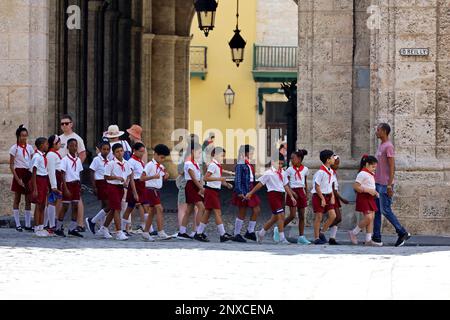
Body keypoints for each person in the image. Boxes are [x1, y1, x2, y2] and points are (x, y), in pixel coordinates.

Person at [245, 154, 297, 245]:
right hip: (273, 195)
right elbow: (260, 184)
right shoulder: (268, 173)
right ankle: (282, 238)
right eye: (278, 163)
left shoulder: (283, 173)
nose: (280, 165)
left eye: (281, 164)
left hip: (281, 195)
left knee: (274, 218)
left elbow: (285, 185)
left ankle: (260, 233)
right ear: (273, 162)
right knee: (281, 215)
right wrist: (251, 193)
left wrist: (291, 196)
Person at [373, 123, 411, 247]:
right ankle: (376, 237)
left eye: (378, 130)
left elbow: (392, 166)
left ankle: (402, 232)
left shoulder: (388, 146)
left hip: (385, 184)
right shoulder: (381, 145)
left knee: (385, 210)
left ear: (384, 131)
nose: (376, 132)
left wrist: (389, 185)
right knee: (377, 210)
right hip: (377, 183)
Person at [97, 144, 137, 241]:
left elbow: (128, 175)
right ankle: (119, 231)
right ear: (114, 153)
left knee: (113, 209)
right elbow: (106, 176)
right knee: (117, 209)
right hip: (112, 187)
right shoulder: (111, 164)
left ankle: (104, 228)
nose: (120, 153)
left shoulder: (126, 163)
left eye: (121, 151)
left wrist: (125, 183)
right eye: (117, 151)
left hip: (120, 188)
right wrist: (116, 177)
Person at [194, 147, 234, 243]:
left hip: (213, 191)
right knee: (217, 212)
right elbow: (206, 178)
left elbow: (216, 178)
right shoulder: (213, 165)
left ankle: (199, 233)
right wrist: (221, 180)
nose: (223, 157)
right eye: (222, 155)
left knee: (207, 213)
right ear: (215, 155)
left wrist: (226, 184)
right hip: (211, 191)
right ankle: (222, 234)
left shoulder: (217, 165)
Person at [274, 149, 310, 245]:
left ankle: (301, 237)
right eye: (290, 159)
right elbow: (286, 183)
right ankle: (279, 229)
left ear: (299, 159)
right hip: (292, 191)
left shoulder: (305, 169)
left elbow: (305, 182)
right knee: (292, 215)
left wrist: (306, 193)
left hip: (301, 192)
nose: (291, 160)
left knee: (302, 216)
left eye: (292, 158)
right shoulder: (289, 170)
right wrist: (291, 192)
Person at [59, 114, 87, 230]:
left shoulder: (77, 138)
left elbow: (82, 154)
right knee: (60, 199)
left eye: (66, 123)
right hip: (61, 170)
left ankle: (79, 224)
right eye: (62, 124)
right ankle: (57, 224)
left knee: (77, 200)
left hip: (72, 172)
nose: (64, 125)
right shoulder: (59, 138)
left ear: (71, 124)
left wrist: (74, 166)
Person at [231, 144, 261, 243]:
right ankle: (236, 233)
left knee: (256, 209)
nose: (252, 154)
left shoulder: (248, 163)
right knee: (242, 211)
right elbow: (238, 179)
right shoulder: (240, 164)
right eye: (251, 153)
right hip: (244, 189)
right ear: (245, 153)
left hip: (250, 187)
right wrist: (239, 191)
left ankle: (250, 231)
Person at [141, 144, 172, 241]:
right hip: (151, 190)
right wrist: (152, 177)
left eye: (164, 158)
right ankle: (160, 231)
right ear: (155, 154)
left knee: (152, 212)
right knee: (159, 209)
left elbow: (163, 177)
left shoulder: (161, 166)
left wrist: (166, 175)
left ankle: (146, 232)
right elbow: (142, 178)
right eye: (161, 157)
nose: (162, 160)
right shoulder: (150, 165)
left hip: (156, 191)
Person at [55, 139, 84, 238]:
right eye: (71, 146)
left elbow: (79, 173)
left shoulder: (78, 160)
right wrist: (65, 188)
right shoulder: (65, 160)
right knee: (65, 206)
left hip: (76, 184)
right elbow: (62, 174)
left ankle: (72, 228)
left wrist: (80, 185)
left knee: (75, 206)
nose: (74, 147)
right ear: (68, 147)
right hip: (68, 184)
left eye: (75, 146)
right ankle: (58, 227)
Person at [349, 155, 379, 246]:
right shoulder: (362, 173)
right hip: (364, 197)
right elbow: (356, 186)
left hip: (370, 198)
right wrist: (369, 190)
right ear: (367, 164)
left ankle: (368, 240)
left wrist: (375, 192)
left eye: (375, 167)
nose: (374, 169)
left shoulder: (370, 174)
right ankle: (353, 233)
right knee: (368, 218)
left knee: (371, 218)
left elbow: (369, 185)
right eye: (373, 167)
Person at [9, 125, 34, 232]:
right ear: (18, 136)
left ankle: (28, 224)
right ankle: (18, 224)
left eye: (25, 136)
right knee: (17, 198)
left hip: (27, 173)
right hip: (18, 172)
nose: (24, 138)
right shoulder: (14, 148)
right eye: (22, 136)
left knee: (28, 199)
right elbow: (11, 165)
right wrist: (17, 179)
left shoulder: (30, 148)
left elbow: (32, 162)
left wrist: (32, 176)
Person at [177, 142, 205, 240]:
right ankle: (198, 231)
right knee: (201, 207)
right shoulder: (188, 163)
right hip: (191, 186)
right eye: (199, 152)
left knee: (189, 210)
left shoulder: (195, 163)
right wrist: (201, 189)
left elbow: (198, 177)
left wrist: (200, 187)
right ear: (192, 151)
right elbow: (193, 178)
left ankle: (182, 231)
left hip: (195, 185)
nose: (200, 154)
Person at [311, 150, 337, 245]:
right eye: (333, 157)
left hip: (328, 195)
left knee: (333, 215)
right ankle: (316, 238)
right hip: (319, 196)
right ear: (328, 160)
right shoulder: (321, 172)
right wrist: (322, 198)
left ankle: (322, 232)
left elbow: (330, 185)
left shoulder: (331, 172)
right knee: (319, 217)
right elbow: (317, 186)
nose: (335, 159)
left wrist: (332, 196)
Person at [121, 143, 147, 236]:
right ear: (134, 151)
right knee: (130, 208)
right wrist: (135, 192)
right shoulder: (131, 161)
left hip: (141, 185)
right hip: (135, 185)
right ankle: (124, 228)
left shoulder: (141, 161)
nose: (142, 153)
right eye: (140, 151)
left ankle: (146, 227)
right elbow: (131, 177)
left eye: (143, 152)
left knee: (142, 206)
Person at [86, 141, 111, 234]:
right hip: (100, 183)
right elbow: (92, 171)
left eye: (108, 149)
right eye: (104, 149)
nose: (106, 151)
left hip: (107, 183)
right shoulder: (97, 159)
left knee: (104, 206)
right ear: (100, 150)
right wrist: (94, 186)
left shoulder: (109, 161)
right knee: (109, 205)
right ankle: (92, 221)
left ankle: (102, 228)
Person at [30, 137, 49, 237]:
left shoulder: (43, 156)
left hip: (44, 180)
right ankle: (36, 227)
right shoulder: (36, 157)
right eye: (46, 144)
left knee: (42, 205)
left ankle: (41, 226)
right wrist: (35, 188)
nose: (47, 145)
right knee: (38, 205)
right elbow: (33, 172)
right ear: (41, 145)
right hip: (38, 180)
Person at [328, 155, 349, 245]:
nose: (338, 166)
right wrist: (342, 199)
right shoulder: (330, 173)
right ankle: (322, 230)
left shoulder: (334, 173)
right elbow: (333, 189)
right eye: (336, 163)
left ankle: (332, 238)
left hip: (335, 196)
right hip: (332, 196)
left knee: (336, 218)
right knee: (337, 218)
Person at [46, 135, 64, 234]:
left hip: (57, 179)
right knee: (51, 202)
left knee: (54, 201)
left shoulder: (54, 154)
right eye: (59, 142)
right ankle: (51, 225)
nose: (60, 144)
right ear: (54, 143)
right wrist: (54, 186)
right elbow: (51, 170)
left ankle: (51, 224)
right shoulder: (51, 155)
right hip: (54, 180)